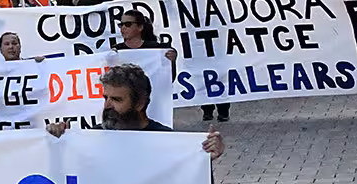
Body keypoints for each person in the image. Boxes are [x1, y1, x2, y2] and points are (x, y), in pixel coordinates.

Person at [45, 64, 225, 162]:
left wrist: (203, 161)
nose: (107, 106)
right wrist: (56, 144)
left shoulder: (166, 140)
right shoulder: (91, 137)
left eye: (116, 100)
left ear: (139, 103)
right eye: (105, 97)